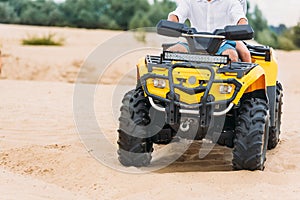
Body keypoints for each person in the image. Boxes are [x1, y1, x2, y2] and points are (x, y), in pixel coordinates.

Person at [167, 0, 251, 62]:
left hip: (222, 44)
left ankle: (239, 84)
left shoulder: (231, 2)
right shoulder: (189, 2)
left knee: (231, 55)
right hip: (194, 43)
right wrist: (172, 22)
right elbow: (176, 15)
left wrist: (241, 26)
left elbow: (240, 18)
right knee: (171, 52)